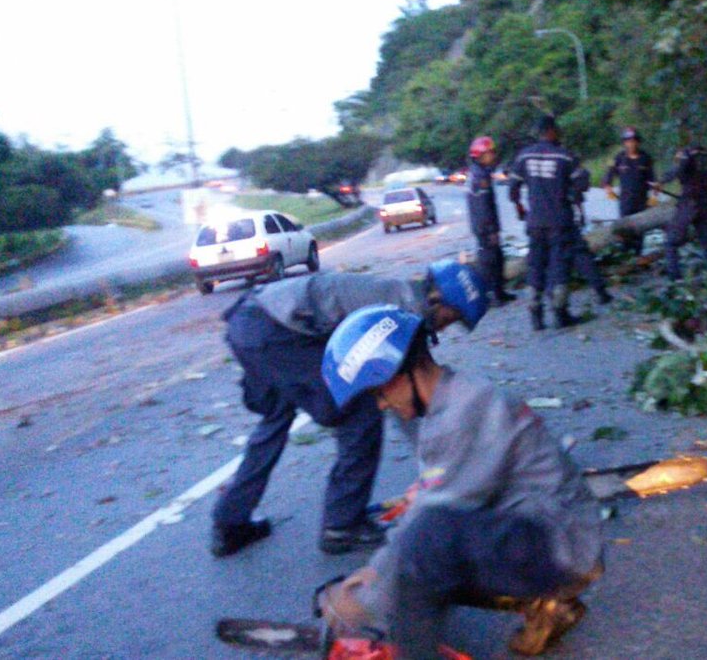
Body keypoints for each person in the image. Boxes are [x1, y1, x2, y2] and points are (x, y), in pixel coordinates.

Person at [316, 306, 603, 657]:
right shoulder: (448, 405)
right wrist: (377, 573)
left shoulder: (466, 412)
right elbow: (427, 499)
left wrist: (367, 601)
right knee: (413, 555)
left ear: (399, 372)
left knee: (425, 547)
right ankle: (547, 607)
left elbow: (433, 521)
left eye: (378, 393)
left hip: (566, 547)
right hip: (543, 532)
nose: (380, 406)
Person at [210, 262, 490, 558]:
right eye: (453, 316)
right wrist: (444, 472)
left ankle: (230, 523)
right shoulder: (402, 314)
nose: (448, 326)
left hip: (252, 321)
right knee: (360, 411)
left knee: (276, 418)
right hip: (275, 332)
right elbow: (406, 399)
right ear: (437, 300)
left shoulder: (401, 297)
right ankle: (341, 526)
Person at [508, 114, 585, 330]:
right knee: (559, 265)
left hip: (535, 222)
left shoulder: (523, 157)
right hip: (560, 220)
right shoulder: (565, 156)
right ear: (551, 131)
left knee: (535, 265)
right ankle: (560, 314)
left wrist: (521, 207)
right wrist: (570, 195)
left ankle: (536, 314)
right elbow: (581, 184)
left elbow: (513, 191)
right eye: (557, 130)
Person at [654, 140, 707, 282]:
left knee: (671, 242)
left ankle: (675, 279)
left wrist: (660, 181)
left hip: (689, 206)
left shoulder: (686, 155)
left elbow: (677, 170)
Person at [466, 135, 516, 306]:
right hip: (485, 227)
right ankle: (490, 296)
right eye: (490, 153)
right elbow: (482, 207)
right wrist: (490, 230)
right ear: (480, 155)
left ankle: (499, 292)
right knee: (489, 262)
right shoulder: (480, 177)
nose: (493, 156)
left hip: (484, 226)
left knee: (498, 257)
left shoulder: (481, 173)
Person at [601, 127, 656, 255]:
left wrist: (654, 197)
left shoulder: (645, 158)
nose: (632, 143)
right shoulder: (619, 158)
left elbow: (653, 180)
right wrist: (608, 188)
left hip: (642, 201)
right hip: (625, 201)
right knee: (625, 230)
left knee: (640, 231)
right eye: (629, 141)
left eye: (634, 141)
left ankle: (638, 255)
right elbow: (607, 177)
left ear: (638, 142)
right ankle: (626, 255)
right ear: (624, 142)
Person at [568, 166, 613, 305]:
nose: (588, 185)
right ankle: (600, 291)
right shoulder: (571, 189)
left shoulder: (573, 190)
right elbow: (576, 212)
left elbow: (579, 209)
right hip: (566, 227)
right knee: (582, 257)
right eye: (586, 181)